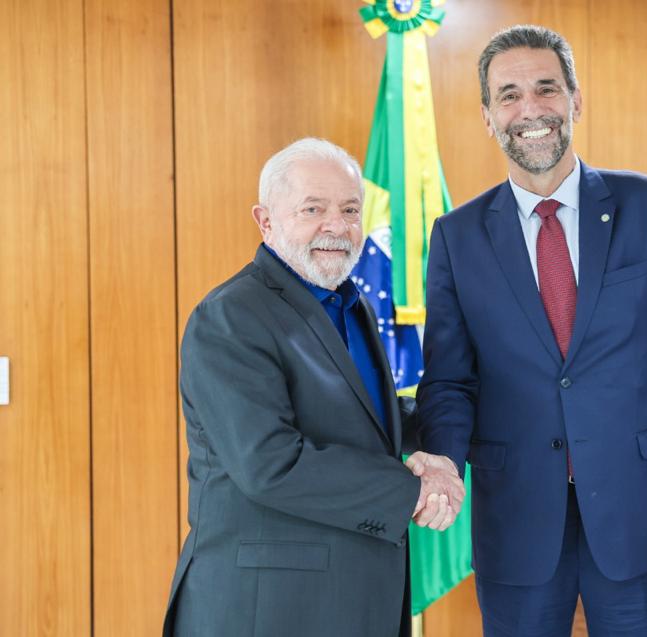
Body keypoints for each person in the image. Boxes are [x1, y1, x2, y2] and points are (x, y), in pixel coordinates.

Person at [414, 25, 647, 636]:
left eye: (546, 89)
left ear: (575, 101)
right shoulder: (456, 236)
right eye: (508, 95)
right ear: (487, 115)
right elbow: (450, 380)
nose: (529, 110)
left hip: (640, 521)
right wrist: (446, 465)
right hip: (516, 519)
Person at [163, 138, 464, 637]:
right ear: (265, 220)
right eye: (313, 208)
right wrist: (412, 491)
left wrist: (446, 431)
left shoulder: (351, 305)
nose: (337, 225)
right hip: (268, 609)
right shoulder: (231, 316)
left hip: (356, 597)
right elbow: (270, 463)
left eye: (350, 209)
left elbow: (365, 418)